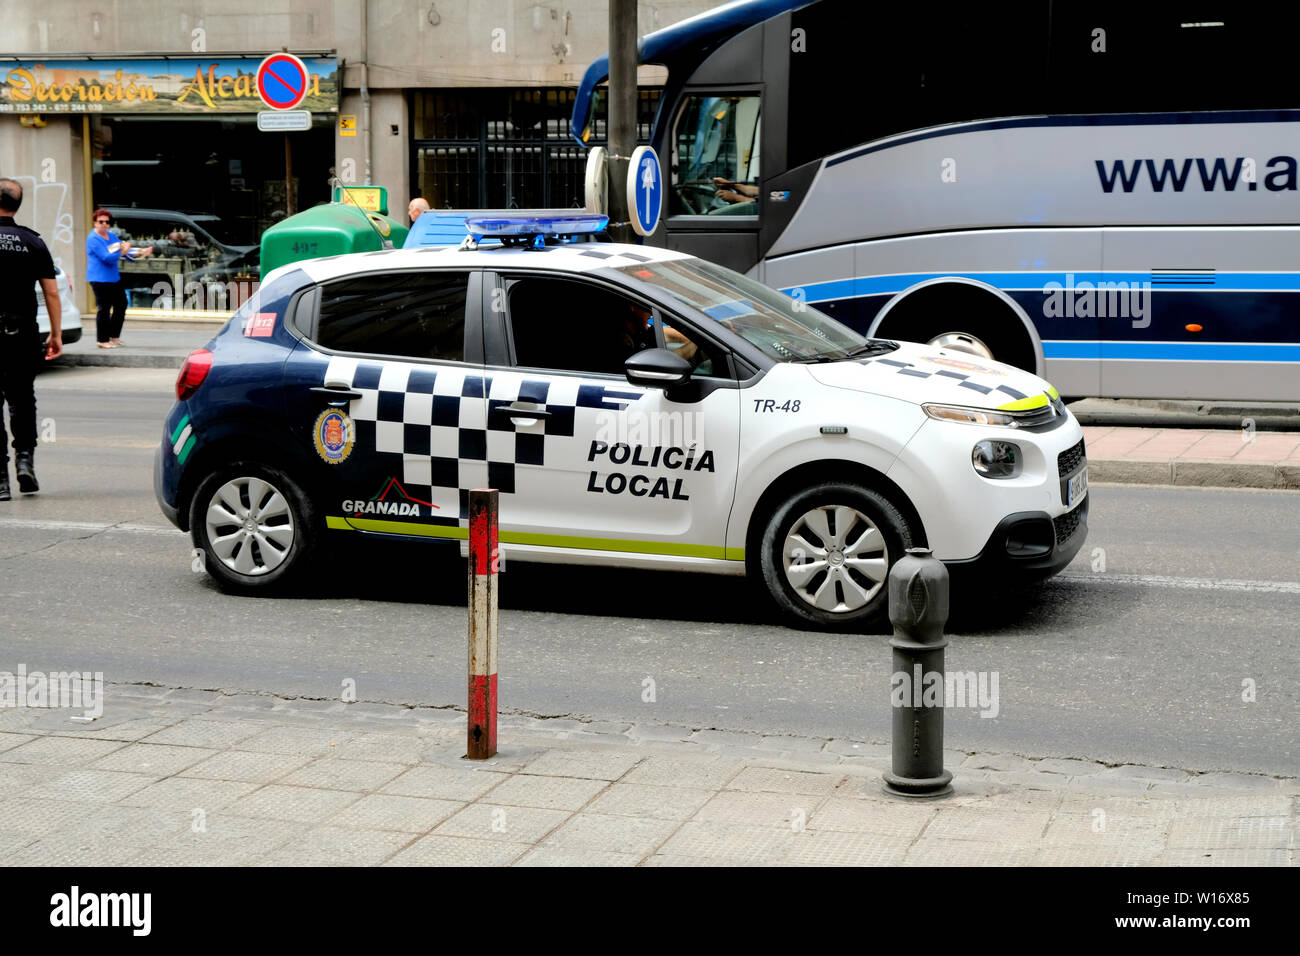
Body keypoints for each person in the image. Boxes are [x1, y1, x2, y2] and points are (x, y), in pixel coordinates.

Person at [0, 178, 61, 499]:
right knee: (22, 400)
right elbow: (51, 292)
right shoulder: (32, 242)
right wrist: (55, 333)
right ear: (17, 205)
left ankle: (0, 479)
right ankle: (25, 463)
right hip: (21, 334)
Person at [85, 208, 151, 348]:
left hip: (113, 278)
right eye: (100, 221)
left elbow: (124, 251)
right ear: (95, 223)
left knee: (121, 304)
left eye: (107, 222)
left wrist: (141, 252)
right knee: (104, 308)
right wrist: (124, 251)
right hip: (99, 279)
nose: (104, 224)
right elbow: (107, 257)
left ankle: (114, 336)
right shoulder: (93, 239)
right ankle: (102, 340)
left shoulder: (111, 236)